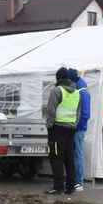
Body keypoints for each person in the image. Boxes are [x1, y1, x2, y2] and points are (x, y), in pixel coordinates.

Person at [44, 67, 79, 195]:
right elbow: (78, 112)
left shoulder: (57, 91)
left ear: (57, 78)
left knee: (56, 157)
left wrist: (50, 125)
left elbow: (51, 110)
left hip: (58, 128)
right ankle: (71, 186)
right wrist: (74, 124)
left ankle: (58, 186)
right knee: (69, 157)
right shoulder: (76, 93)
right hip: (71, 129)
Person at [66, 69, 91, 192]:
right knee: (75, 154)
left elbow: (85, 114)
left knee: (77, 154)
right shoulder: (79, 91)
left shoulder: (83, 93)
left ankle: (79, 182)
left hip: (78, 129)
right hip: (74, 128)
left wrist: (76, 126)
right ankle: (75, 180)